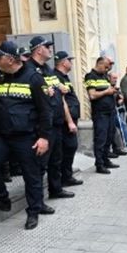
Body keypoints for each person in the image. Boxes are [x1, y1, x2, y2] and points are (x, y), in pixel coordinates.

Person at [0, 40, 53, 229]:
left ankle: (34, 210)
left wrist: (43, 137)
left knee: (32, 175)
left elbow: (46, 111)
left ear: (10, 59)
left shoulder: (34, 79)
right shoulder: (2, 78)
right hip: (3, 136)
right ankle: (2, 198)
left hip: (27, 136)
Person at [38, 49, 78, 200]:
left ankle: (56, 189)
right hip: (48, 123)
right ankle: (39, 199)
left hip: (58, 121)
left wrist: (68, 120)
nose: (49, 50)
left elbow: (61, 100)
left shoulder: (50, 73)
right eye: (47, 48)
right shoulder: (36, 73)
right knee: (44, 162)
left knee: (56, 158)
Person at [51, 50, 84, 188]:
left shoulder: (64, 77)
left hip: (71, 117)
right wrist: (69, 121)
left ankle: (67, 176)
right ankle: (64, 178)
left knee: (70, 148)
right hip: (65, 120)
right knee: (66, 148)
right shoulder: (56, 77)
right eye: (69, 60)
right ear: (63, 62)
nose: (71, 63)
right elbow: (62, 101)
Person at [85, 56, 118, 173]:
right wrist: (106, 92)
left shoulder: (104, 76)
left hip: (110, 111)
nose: (107, 69)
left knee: (109, 137)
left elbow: (108, 89)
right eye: (105, 67)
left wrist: (113, 91)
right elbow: (92, 95)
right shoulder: (90, 76)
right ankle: (99, 164)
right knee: (101, 138)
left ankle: (105, 159)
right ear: (99, 64)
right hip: (100, 113)